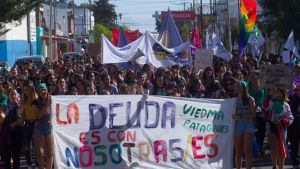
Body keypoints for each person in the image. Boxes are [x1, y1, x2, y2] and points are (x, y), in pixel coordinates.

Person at [232, 81, 256, 169]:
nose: (235, 88)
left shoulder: (250, 99)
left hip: (248, 125)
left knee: (247, 151)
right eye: (235, 86)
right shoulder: (233, 100)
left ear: (243, 88)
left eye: (237, 86)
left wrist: (240, 116)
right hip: (237, 126)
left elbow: (253, 114)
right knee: (238, 152)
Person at [269, 88, 294, 169]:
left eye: (280, 93)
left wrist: (283, 121)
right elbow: (268, 114)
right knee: (274, 147)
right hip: (273, 126)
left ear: (283, 94)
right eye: (277, 92)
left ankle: (281, 167)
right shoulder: (271, 103)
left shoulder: (286, 105)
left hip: (282, 129)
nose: (279, 94)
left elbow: (290, 118)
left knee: (281, 148)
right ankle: (274, 166)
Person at [32, 83, 53, 169]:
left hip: (50, 127)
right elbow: (37, 116)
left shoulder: (52, 99)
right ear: (38, 92)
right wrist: (47, 106)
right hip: (39, 128)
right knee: (39, 152)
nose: (43, 92)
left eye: (44, 90)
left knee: (50, 153)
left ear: (47, 90)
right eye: (41, 90)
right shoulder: (35, 102)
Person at [1, 89, 24, 169]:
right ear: (8, 96)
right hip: (6, 134)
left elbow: (22, 122)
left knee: (16, 156)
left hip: (17, 133)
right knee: (6, 157)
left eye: (15, 94)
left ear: (17, 96)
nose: (13, 96)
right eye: (11, 94)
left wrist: (14, 123)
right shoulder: (4, 107)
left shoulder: (20, 107)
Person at [248, 71, 267, 157]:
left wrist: (264, 106)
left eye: (255, 78)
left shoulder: (263, 85)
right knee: (254, 129)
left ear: (259, 78)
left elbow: (266, 96)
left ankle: (260, 145)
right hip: (252, 110)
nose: (254, 80)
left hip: (262, 110)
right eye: (252, 78)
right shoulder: (249, 86)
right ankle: (257, 147)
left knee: (262, 129)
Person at [21, 81, 38, 168]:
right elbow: (23, 113)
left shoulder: (37, 99)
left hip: (36, 123)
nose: (26, 92)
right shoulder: (24, 99)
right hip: (27, 123)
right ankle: (29, 164)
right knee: (27, 146)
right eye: (24, 90)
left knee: (36, 146)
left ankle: (38, 164)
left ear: (32, 89)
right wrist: (22, 120)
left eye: (27, 90)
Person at [288, 84, 300, 169]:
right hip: (294, 127)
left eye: (299, 90)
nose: (297, 92)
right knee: (294, 145)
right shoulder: (292, 100)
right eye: (296, 90)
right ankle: (295, 162)